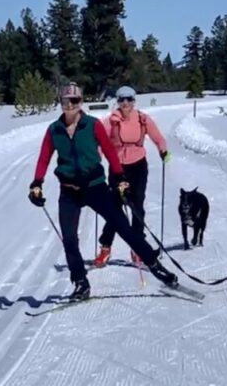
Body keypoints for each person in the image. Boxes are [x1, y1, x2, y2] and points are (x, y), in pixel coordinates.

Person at [28, 83, 179, 300]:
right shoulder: (54, 130)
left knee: (123, 226)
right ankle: (80, 281)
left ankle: (155, 266)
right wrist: (36, 183)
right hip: (69, 191)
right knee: (69, 239)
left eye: (75, 101)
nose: (70, 106)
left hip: (95, 187)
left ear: (81, 103)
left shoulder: (93, 125)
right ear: (60, 103)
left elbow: (109, 151)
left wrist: (118, 177)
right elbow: (44, 157)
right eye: (65, 101)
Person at [93, 85, 169, 266]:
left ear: (134, 101)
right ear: (117, 102)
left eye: (129, 99)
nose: (125, 103)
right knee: (115, 209)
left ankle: (138, 248)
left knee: (137, 207)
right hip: (118, 168)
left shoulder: (143, 119)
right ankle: (105, 247)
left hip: (138, 166)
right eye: (121, 100)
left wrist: (163, 151)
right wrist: (96, 159)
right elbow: (99, 141)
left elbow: (159, 138)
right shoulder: (110, 121)